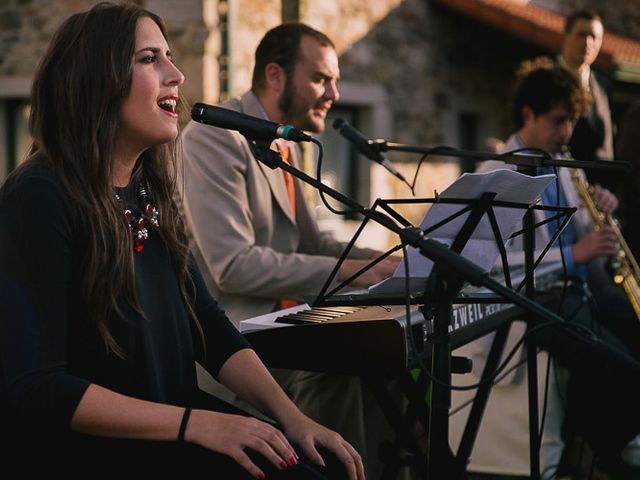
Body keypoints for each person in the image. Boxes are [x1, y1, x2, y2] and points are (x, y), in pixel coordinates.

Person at [0, 3, 365, 478]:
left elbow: (207, 326)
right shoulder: (38, 199)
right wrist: (198, 425)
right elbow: (36, 386)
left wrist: (294, 420)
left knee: (323, 466)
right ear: (95, 78)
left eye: (169, 56)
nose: (176, 74)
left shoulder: (149, 188)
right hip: (101, 452)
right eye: (149, 59)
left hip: (175, 423)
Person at [180, 22, 399, 478]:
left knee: (381, 362)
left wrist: (386, 261)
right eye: (320, 79)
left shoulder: (284, 142)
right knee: (335, 371)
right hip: (233, 354)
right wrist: (353, 271)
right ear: (275, 75)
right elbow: (233, 266)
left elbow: (312, 243)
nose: (333, 93)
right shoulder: (214, 137)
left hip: (283, 335)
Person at [448, 57, 640, 479]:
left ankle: (608, 445)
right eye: (558, 121)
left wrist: (602, 212)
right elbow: (492, 263)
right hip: (530, 302)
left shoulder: (563, 166)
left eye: (572, 121)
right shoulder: (495, 173)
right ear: (527, 115)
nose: (567, 133)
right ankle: (617, 449)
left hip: (575, 290)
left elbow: (579, 232)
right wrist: (576, 254)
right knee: (620, 367)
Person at [558, 9, 615, 188]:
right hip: (562, 189)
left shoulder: (603, 85)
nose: (588, 43)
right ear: (566, 36)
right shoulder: (546, 80)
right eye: (581, 34)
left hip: (601, 196)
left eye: (594, 37)